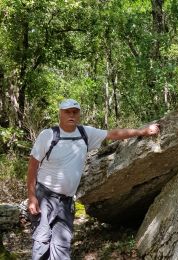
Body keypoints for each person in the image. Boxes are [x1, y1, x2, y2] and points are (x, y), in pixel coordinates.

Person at [27, 98, 160, 260]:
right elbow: (33, 167)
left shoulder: (85, 133)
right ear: (60, 114)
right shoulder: (48, 135)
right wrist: (32, 197)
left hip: (66, 202)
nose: (71, 115)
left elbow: (113, 134)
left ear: (79, 114)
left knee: (62, 249)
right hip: (45, 197)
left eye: (75, 112)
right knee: (41, 244)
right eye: (67, 112)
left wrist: (143, 131)